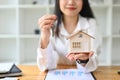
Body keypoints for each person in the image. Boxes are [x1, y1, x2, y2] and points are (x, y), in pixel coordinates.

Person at [37, 0, 101, 72]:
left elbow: (92, 62)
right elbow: (45, 66)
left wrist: (84, 60)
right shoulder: (51, 25)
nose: (71, 2)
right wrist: (45, 37)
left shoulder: (91, 23)